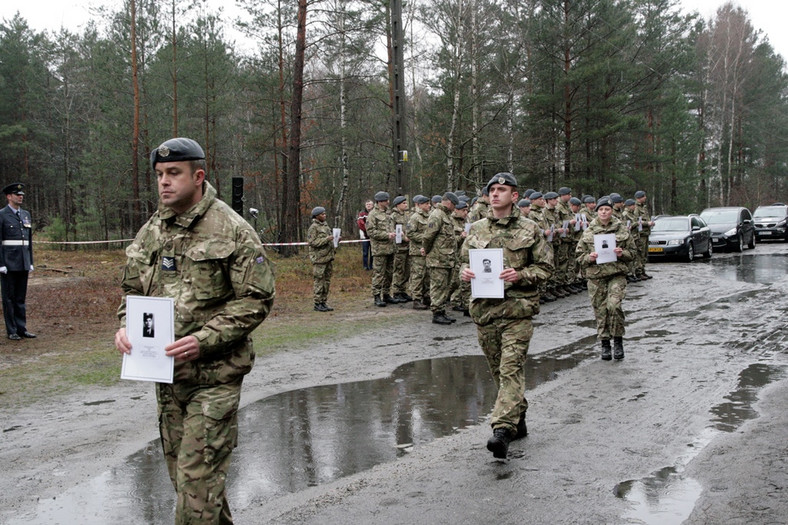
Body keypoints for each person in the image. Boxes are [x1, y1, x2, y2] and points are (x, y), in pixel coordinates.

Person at [114, 137, 276, 524]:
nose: (164, 182)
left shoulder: (231, 229)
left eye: (173, 173)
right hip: (168, 378)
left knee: (196, 486)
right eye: (159, 175)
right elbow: (132, 289)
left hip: (214, 378)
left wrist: (203, 341)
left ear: (198, 176)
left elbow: (256, 298)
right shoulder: (153, 229)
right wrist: (125, 326)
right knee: (192, 487)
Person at [460, 173, 553, 459]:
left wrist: (521, 275)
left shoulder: (530, 228)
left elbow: (546, 268)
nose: (496, 194)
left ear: (514, 196)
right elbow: (463, 262)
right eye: (492, 190)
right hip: (485, 312)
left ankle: (502, 430)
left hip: (517, 312)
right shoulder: (475, 229)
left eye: (502, 190)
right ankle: (518, 416)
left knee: (510, 369)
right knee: (499, 372)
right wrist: (464, 274)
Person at [575, 196, 637, 361]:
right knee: (600, 311)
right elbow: (579, 256)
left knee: (614, 306)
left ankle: (618, 341)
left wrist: (621, 253)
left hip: (616, 275)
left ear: (611, 211)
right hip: (596, 277)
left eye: (607, 209)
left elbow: (633, 253)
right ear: (597, 212)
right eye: (601, 209)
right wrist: (590, 257)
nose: (604, 212)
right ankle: (604, 344)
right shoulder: (589, 232)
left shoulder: (621, 230)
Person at [0, 182, 36, 340]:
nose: (20, 197)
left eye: (21, 195)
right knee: (9, 297)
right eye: (17, 195)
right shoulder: (2, 215)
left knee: (21, 297)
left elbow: (29, 241)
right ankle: (12, 330)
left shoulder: (26, 214)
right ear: (9, 197)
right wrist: (1, 264)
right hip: (8, 262)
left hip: (23, 261)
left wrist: (30, 261)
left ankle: (22, 328)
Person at [422, 192, 459, 325]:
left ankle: (441, 311)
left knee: (444, 286)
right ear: (448, 202)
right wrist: (426, 250)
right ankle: (437, 313)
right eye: (454, 205)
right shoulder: (437, 215)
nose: (455, 208)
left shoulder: (446, 216)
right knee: (438, 286)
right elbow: (428, 236)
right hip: (438, 259)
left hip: (446, 258)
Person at [367, 191, 397, 307]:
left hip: (390, 248)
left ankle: (386, 294)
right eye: (386, 200)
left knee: (389, 273)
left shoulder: (388, 213)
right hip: (379, 249)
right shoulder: (373, 214)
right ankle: (376, 296)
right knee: (379, 273)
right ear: (380, 202)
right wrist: (386, 235)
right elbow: (371, 232)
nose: (388, 202)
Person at [307, 206, 337, 312]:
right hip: (319, 258)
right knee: (319, 281)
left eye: (325, 214)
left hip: (328, 257)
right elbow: (312, 242)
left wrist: (335, 240)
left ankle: (324, 302)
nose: (324, 215)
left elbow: (329, 240)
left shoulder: (326, 226)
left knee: (327, 281)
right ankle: (317, 303)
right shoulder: (313, 227)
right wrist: (326, 239)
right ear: (316, 216)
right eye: (322, 214)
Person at [406, 195, 431, 310]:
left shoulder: (430, 216)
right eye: (426, 204)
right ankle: (416, 299)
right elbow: (410, 233)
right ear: (419, 205)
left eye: (429, 203)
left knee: (427, 275)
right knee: (418, 275)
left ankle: (426, 297)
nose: (429, 205)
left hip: (427, 250)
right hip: (417, 251)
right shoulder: (415, 217)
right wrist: (425, 238)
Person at [390, 196, 412, 302]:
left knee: (406, 270)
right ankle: (396, 291)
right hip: (399, 247)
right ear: (397, 205)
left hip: (407, 247)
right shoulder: (393, 216)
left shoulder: (406, 216)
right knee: (399, 270)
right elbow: (392, 230)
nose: (405, 205)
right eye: (403, 203)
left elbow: (409, 228)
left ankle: (403, 290)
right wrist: (404, 238)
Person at [633, 190, 655, 280]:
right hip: (640, 234)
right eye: (643, 196)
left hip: (645, 233)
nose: (645, 198)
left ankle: (642, 271)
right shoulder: (636, 208)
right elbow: (636, 221)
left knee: (645, 253)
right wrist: (647, 223)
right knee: (640, 253)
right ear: (639, 198)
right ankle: (638, 272)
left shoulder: (644, 207)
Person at [357, 200, 374, 270]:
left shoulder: (375, 213)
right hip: (365, 235)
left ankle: (372, 266)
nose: (368, 206)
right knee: (365, 252)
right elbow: (360, 223)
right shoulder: (362, 213)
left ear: (373, 205)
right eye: (367, 204)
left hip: (373, 236)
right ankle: (365, 266)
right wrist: (368, 230)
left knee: (373, 252)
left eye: (370, 204)